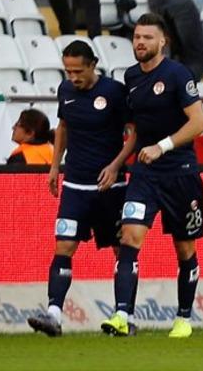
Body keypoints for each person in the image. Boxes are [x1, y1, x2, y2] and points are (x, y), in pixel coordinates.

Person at [100, 13, 203, 339]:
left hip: (180, 174)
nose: (141, 43)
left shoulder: (177, 75)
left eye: (148, 37)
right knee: (129, 237)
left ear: (163, 42)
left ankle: (184, 318)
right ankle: (122, 316)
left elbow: (199, 123)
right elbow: (136, 131)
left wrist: (162, 146)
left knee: (184, 249)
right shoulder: (130, 77)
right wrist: (119, 162)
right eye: (137, 37)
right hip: (145, 175)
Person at [27, 41, 135, 337]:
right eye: (68, 71)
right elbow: (63, 127)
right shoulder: (65, 91)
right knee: (63, 246)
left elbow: (134, 133)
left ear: (92, 65)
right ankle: (54, 314)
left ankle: (123, 315)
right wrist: (54, 166)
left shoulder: (114, 92)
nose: (73, 77)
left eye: (78, 71)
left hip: (110, 187)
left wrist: (115, 166)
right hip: (75, 184)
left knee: (122, 248)